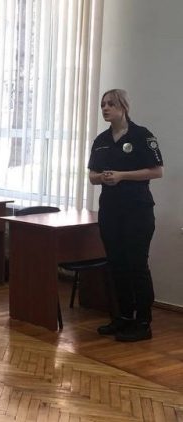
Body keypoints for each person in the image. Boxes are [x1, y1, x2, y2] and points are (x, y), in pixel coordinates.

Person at [88, 89, 164, 342]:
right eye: (102, 105)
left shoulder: (142, 135)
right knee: (116, 264)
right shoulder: (101, 140)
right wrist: (103, 177)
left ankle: (143, 322)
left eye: (110, 104)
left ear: (123, 106)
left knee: (136, 265)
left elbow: (157, 171)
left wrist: (122, 176)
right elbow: (92, 177)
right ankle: (123, 317)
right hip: (111, 211)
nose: (105, 108)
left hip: (137, 211)